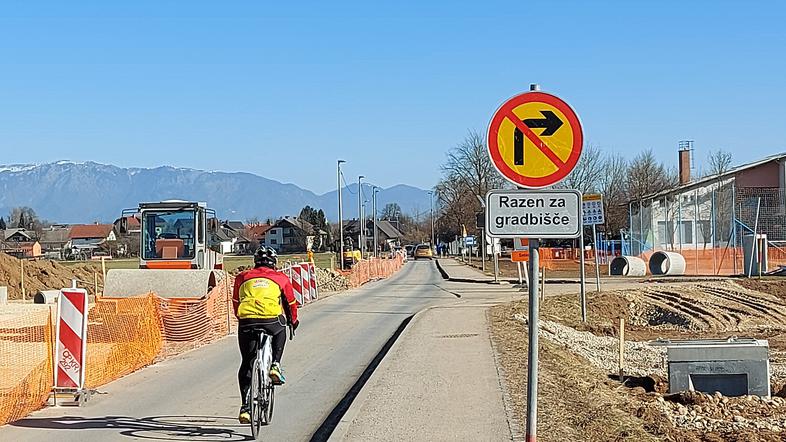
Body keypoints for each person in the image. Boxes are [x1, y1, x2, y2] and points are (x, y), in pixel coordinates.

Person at [233, 246, 299, 424]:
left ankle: (246, 407)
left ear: (255, 261)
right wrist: (293, 321)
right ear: (274, 263)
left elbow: (236, 302)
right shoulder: (281, 278)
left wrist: (242, 317)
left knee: (247, 362)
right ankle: (275, 364)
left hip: (247, 321)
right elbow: (290, 303)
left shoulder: (242, 277)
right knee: (281, 327)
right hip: (271, 321)